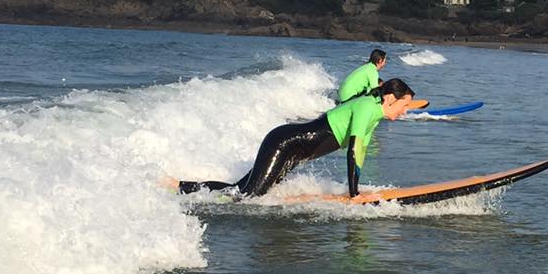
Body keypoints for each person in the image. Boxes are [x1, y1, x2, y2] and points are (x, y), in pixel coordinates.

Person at [178, 78, 416, 199]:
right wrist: (354, 194)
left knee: (241, 191)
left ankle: (184, 188)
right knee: (249, 196)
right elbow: (352, 150)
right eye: (404, 105)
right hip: (283, 143)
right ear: (390, 99)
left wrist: (356, 189)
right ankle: (184, 188)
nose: (405, 111)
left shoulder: (374, 115)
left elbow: (359, 155)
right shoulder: (366, 106)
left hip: (291, 151)